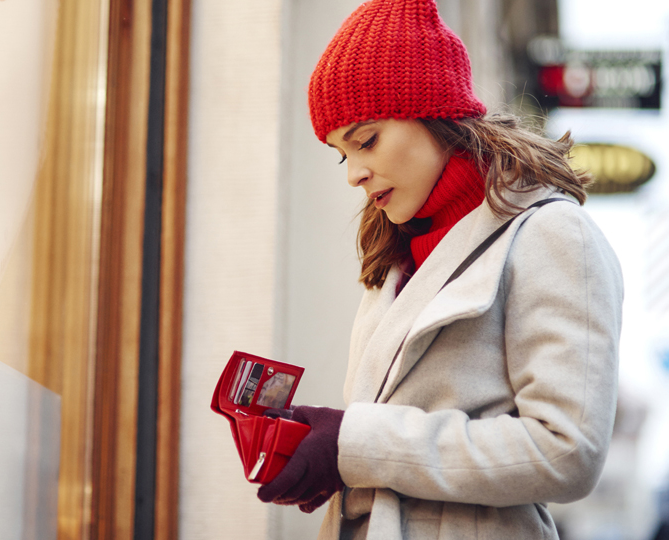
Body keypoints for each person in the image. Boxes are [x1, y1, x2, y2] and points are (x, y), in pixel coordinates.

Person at [255, 0, 625, 539]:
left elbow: (567, 450)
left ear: (434, 114)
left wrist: (352, 444)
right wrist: (322, 452)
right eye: (341, 154)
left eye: (366, 140)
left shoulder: (552, 234)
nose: (354, 173)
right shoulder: (399, 253)